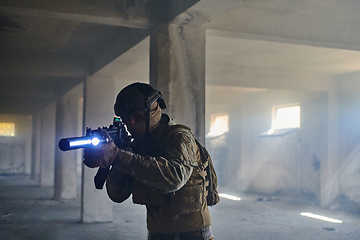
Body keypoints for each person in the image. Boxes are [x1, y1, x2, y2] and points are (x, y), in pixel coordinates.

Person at [83, 82, 217, 240]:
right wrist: (116, 156)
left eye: (138, 117)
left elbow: (174, 179)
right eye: (126, 119)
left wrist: (118, 156)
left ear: (155, 111)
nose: (131, 124)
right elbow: (117, 195)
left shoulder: (179, 137)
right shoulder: (138, 146)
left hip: (192, 235)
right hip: (157, 234)